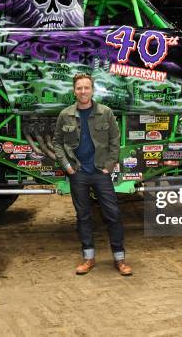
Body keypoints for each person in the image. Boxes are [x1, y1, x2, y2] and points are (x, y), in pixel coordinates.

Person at [53, 73, 132, 276]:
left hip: (100, 172)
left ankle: (120, 259)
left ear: (92, 89)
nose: (83, 91)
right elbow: (57, 142)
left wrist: (109, 165)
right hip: (78, 173)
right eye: (79, 88)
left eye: (86, 87)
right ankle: (88, 258)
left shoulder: (105, 112)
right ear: (74, 91)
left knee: (113, 215)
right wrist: (67, 167)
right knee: (83, 217)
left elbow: (115, 139)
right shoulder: (66, 115)